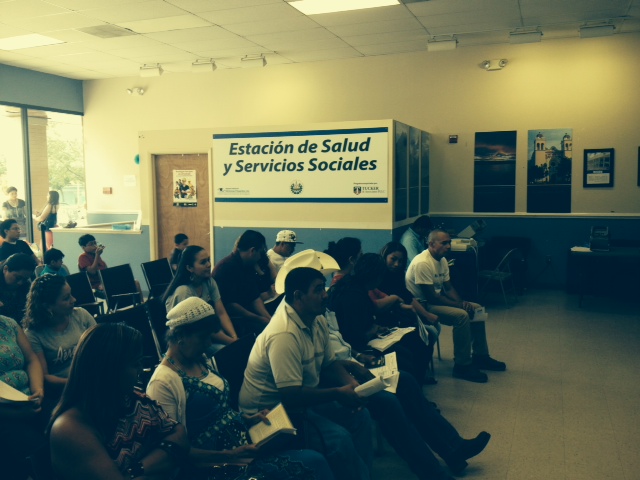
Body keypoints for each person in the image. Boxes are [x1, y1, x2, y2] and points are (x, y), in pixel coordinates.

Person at [147, 297, 334, 480]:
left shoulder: (198, 360)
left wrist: (247, 419)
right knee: (312, 463)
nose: (208, 344)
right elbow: (174, 451)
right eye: (203, 337)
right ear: (180, 336)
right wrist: (230, 455)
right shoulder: (163, 382)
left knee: (314, 460)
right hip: (216, 467)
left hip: (242, 452)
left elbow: (217, 411)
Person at [239, 267, 373, 480]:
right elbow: (291, 396)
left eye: (324, 288)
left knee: (361, 417)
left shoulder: (316, 317)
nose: (325, 295)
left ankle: (359, 474)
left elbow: (329, 363)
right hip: (269, 414)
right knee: (338, 440)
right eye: (318, 290)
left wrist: (351, 385)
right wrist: (338, 393)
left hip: (298, 403)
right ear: (298, 296)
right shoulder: (283, 334)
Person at [49, 323, 189, 479]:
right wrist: (166, 457)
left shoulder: (132, 400)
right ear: (109, 370)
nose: (141, 370)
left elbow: (180, 435)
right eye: (135, 364)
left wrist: (137, 470)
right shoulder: (70, 428)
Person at [406, 229, 506, 383]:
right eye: (444, 243)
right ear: (431, 244)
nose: (448, 246)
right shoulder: (422, 263)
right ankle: (462, 365)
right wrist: (460, 307)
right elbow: (432, 297)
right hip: (422, 306)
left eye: (449, 242)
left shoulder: (442, 260)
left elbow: (448, 288)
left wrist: (462, 303)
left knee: (476, 308)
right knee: (461, 316)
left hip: (434, 301)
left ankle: (480, 355)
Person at [328, 253, 433, 385]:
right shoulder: (354, 296)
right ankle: (414, 386)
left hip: (360, 340)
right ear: (376, 277)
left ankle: (416, 386)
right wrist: (373, 330)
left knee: (411, 349)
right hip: (357, 347)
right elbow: (354, 335)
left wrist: (375, 328)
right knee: (406, 358)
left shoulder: (353, 285)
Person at [23, 274, 96, 405]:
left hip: (93, 379)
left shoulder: (81, 315)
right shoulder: (33, 334)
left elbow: (102, 346)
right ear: (47, 306)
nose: (74, 299)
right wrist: (79, 383)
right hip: (65, 391)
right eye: (66, 298)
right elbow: (45, 377)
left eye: (71, 294)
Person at [163, 245, 238, 347]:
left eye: (208, 260)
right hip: (187, 343)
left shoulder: (209, 282)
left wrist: (234, 337)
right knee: (224, 350)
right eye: (203, 262)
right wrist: (231, 342)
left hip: (204, 337)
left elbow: (221, 313)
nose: (209, 264)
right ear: (189, 268)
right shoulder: (184, 291)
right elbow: (200, 328)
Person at [0, 313, 46, 480]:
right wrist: (17, 414)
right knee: (36, 450)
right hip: (5, 412)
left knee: (65, 428)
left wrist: (38, 389)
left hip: (29, 399)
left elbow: (32, 359)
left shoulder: (7, 324)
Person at [212, 230, 272, 333]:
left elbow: (254, 297)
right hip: (231, 320)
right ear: (252, 251)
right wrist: (259, 319)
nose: (260, 257)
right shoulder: (225, 268)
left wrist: (269, 319)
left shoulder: (248, 265)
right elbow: (231, 305)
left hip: (246, 316)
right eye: (260, 253)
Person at [0, 253, 37, 322]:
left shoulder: (26, 286)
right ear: (5, 269)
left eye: (25, 279)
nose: (20, 283)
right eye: (17, 278)